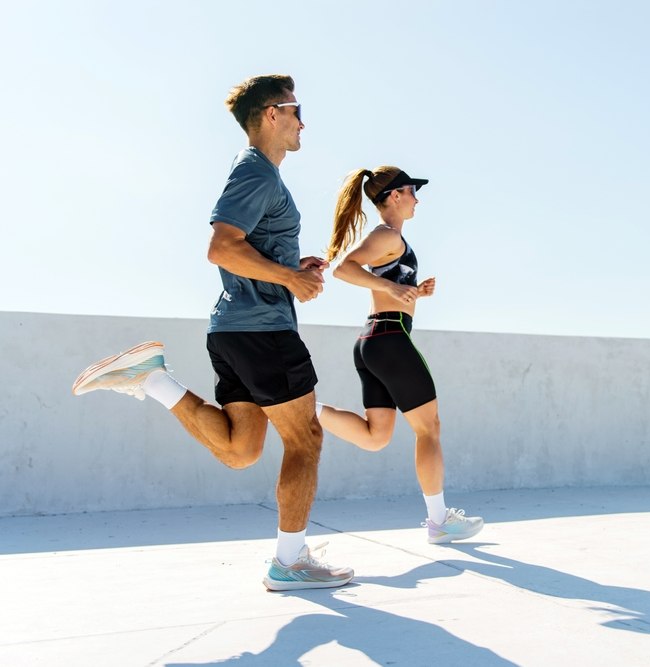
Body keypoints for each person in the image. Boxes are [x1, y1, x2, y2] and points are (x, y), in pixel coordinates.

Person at [71, 74, 353, 591]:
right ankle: (289, 562)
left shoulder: (260, 174)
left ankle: (153, 379)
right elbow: (221, 248)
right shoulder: (256, 172)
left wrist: (293, 265)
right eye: (296, 110)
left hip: (234, 329)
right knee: (306, 438)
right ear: (272, 113)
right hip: (262, 330)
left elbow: (248, 248)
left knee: (240, 450)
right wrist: (289, 278)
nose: (303, 122)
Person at [317, 166, 484, 544]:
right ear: (394, 195)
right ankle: (439, 521)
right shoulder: (386, 235)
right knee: (429, 428)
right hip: (390, 338)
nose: (416, 200)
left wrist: (413, 291)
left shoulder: (391, 239)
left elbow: (384, 282)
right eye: (411, 192)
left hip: (374, 339)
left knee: (375, 436)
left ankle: (305, 408)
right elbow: (344, 269)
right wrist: (392, 288)